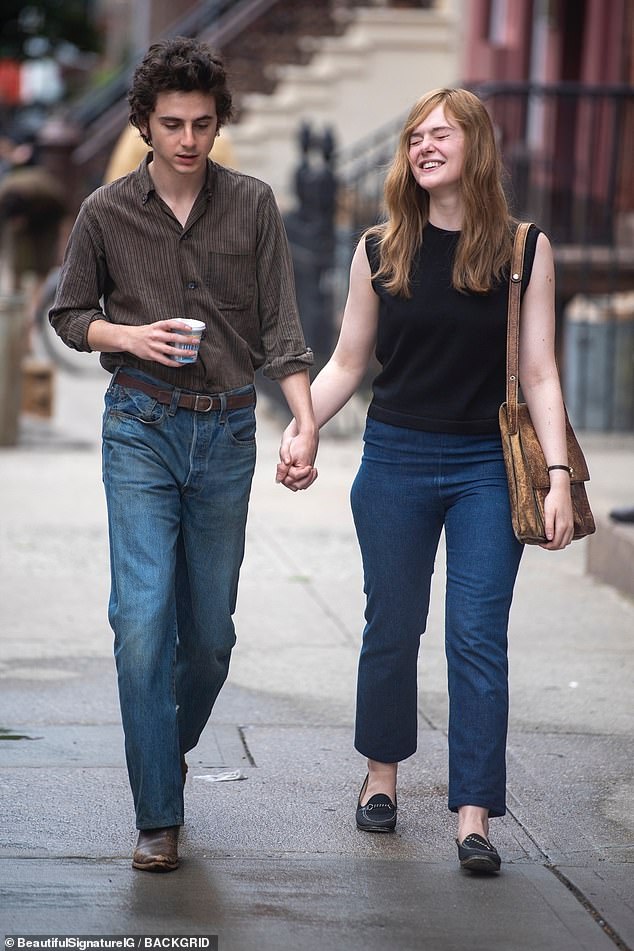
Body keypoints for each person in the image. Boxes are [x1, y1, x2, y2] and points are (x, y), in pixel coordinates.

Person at [277, 87, 574, 873]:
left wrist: (556, 476)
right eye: (415, 137)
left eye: (440, 134)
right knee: (392, 625)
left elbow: (540, 371)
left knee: (477, 636)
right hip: (397, 457)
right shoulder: (380, 248)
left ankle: (473, 814)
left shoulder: (522, 248)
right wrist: (306, 423)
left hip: (487, 465)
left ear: (476, 147)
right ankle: (381, 776)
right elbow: (347, 361)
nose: (423, 146)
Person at [50, 37, 318, 873]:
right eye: (172, 124)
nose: (189, 140)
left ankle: (160, 746)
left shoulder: (253, 205)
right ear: (143, 123)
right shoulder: (105, 213)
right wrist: (128, 334)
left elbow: (282, 331)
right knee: (140, 624)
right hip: (138, 422)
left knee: (208, 642)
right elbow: (67, 317)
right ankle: (157, 812)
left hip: (229, 432)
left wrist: (304, 422)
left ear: (218, 122)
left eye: (203, 123)